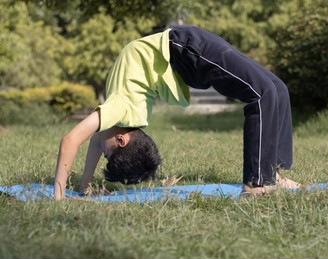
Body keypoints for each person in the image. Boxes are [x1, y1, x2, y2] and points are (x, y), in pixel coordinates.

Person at [54, 25, 300, 200]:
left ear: (122, 139)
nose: (102, 149)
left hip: (184, 48)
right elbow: (98, 141)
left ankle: (259, 182)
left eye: (108, 155)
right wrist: (84, 187)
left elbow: (71, 139)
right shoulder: (123, 117)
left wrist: (59, 195)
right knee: (275, 88)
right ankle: (269, 175)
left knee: (263, 93)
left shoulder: (119, 107)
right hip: (185, 55)